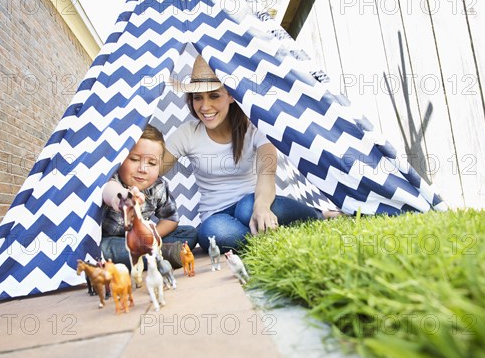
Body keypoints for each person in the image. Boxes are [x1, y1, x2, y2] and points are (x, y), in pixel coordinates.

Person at [162, 56, 340, 253]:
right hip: (215, 215)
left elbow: (267, 172)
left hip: (255, 200)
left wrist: (261, 207)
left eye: (214, 96)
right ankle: (273, 236)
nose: (205, 107)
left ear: (230, 95)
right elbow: (153, 169)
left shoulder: (254, 126)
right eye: (198, 98)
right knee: (213, 233)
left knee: (247, 208)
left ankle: (317, 215)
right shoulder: (187, 133)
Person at [101, 124, 198, 269]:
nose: (143, 169)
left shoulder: (158, 186)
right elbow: (110, 190)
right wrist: (123, 198)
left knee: (189, 233)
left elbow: (170, 219)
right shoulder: (111, 179)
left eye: (152, 163)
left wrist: (152, 237)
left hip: (142, 238)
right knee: (103, 248)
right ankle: (161, 255)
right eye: (134, 159)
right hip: (111, 240)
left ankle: (153, 252)